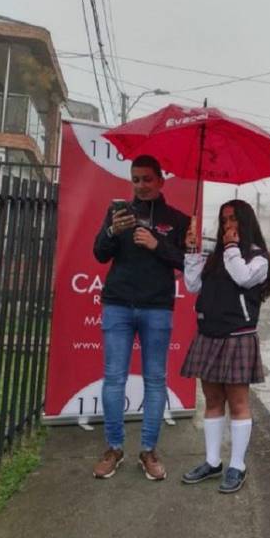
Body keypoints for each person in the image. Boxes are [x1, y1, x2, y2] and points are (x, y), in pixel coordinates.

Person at [91, 154, 190, 481]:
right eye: (136, 179)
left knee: (155, 379)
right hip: (118, 303)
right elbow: (100, 254)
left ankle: (148, 450)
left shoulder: (177, 220)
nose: (141, 185)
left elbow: (185, 263)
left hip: (157, 307)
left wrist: (155, 243)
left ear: (161, 181)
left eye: (147, 179)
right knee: (114, 378)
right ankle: (114, 448)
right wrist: (109, 231)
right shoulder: (118, 213)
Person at [179, 200, 270, 493]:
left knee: (238, 403)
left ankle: (237, 465)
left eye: (233, 219)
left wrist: (232, 248)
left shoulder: (258, 258)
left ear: (245, 222)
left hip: (238, 336)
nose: (228, 225)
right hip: (208, 333)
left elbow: (243, 277)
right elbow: (193, 285)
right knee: (212, 400)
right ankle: (212, 461)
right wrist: (191, 253)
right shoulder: (215, 255)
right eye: (224, 220)